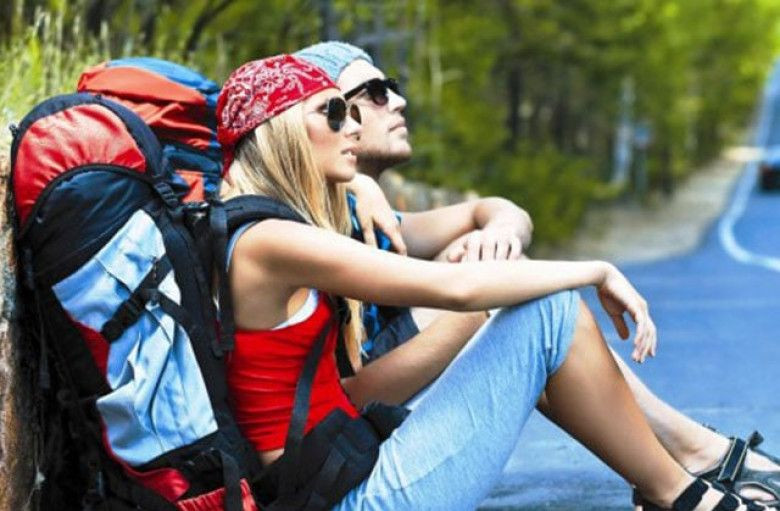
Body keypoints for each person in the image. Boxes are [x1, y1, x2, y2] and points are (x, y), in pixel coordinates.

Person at [215, 54, 774, 510]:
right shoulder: (273, 241)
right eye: (334, 113)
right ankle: (684, 495)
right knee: (548, 309)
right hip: (349, 499)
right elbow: (456, 291)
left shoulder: (267, 231)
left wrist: (365, 189)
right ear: (280, 131)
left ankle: (678, 486)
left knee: (540, 305)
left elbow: (343, 393)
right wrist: (598, 270)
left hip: (339, 473)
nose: (354, 126)